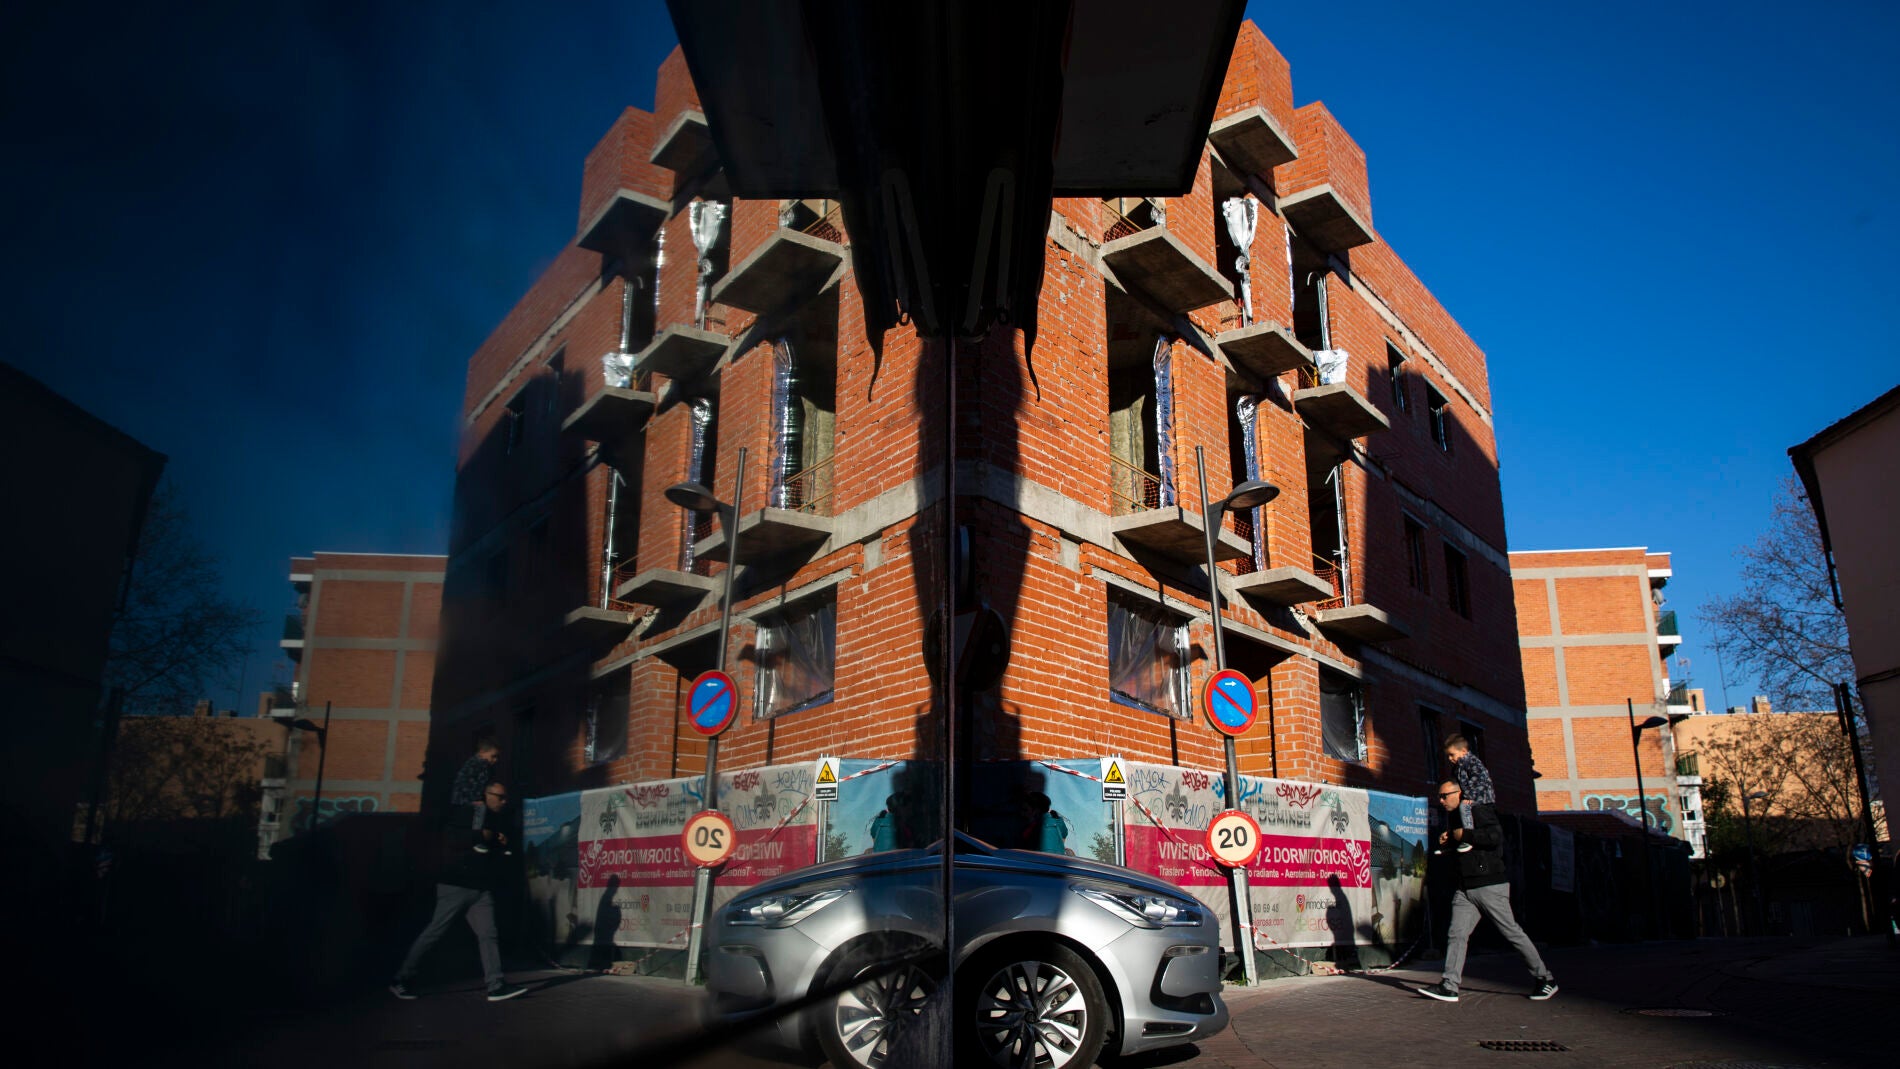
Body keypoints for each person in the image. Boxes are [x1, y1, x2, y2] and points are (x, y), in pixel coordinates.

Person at [1416, 781, 1557, 1003]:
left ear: (1459, 793)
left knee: (1511, 932)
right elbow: (1466, 848)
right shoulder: (1454, 817)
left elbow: (1494, 837)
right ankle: (1449, 986)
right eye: (1439, 797)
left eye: (1444, 796)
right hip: (1465, 888)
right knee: (1457, 934)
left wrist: (1463, 835)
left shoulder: (1478, 810)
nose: (1441, 801)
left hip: (1489, 885)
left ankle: (1545, 979)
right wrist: (1450, 841)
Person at [390, 782, 527, 1002]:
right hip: (456, 885)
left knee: (488, 934)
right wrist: (481, 835)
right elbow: (453, 839)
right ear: (486, 794)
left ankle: (495, 985)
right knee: (435, 931)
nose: (504, 801)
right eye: (499, 797)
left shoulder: (497, 819)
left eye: (505, 797)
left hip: (480, 888)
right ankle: (401, 979)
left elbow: (486, 850)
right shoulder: (469, 812)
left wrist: (499, 842)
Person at [1436, 735, 1495, 854]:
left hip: (1480, 796)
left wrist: (1468, 796)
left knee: (1464, 806)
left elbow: (1479, 781)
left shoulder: (1472, 764)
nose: (1450, 758)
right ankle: (1453, 843)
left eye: (1452, 755)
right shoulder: (1457, 768)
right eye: (1448, 756)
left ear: (1463, 751)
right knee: (1457, 811)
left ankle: (1467, 837)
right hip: (1469, 796)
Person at [450, 739, 505, 854]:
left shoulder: (470, 763)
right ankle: (477, 839)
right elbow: (478, 785)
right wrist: (477, 799)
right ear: (482, 752)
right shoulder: (482, 765)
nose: (495, 760)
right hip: (467, 797)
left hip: (460, 798)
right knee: (481, 809)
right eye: (493, 756)